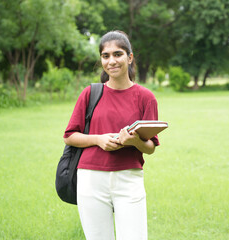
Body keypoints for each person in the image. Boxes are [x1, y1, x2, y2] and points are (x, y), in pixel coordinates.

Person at [63, 30, 159, 240]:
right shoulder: (90, 93)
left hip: (129, 178)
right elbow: (70, 136)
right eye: (105, 56)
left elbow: (150, 147)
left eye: (118, 54)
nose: (111, 61)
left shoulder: (146, 97)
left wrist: (135, 141)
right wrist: (99, 139)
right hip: (90, 179)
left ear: (130, 57)